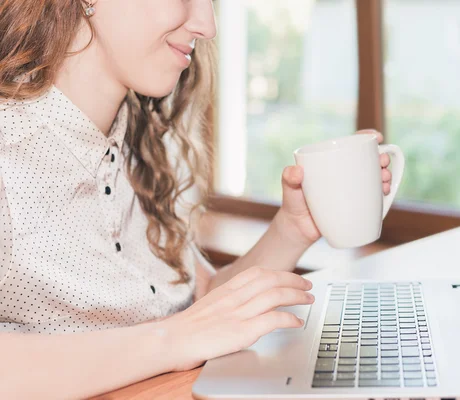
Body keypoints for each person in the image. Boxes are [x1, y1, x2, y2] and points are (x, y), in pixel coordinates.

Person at [0, 1, 393, 398]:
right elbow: (187, 331)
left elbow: (202, 305)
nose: (207, 26)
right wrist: (174, 340)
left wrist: (292, 228)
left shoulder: (140, 143)